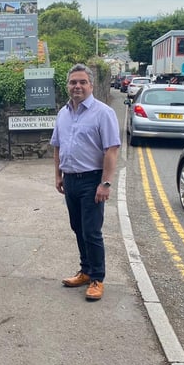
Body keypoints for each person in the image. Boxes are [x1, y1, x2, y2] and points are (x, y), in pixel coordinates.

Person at [50, 64, 120, 301]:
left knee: (91, 231)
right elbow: (57, 146)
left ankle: (97, 279)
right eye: (73, 82)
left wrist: (106, 183)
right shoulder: (63, 113)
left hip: (92, 180)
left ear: (91, 85)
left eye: (82, 82)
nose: (77, 86)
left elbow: (111, 149)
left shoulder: (103, 113)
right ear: (68, 85)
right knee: (78, 228)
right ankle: (85, 270)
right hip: (70, 180)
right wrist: (58, 175)